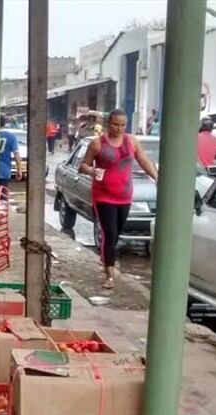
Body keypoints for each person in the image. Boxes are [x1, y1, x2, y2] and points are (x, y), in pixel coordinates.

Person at [79, 109, 158, 289]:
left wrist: (156, 177)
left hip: (125, 196)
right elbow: (83, 165)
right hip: (103, 196)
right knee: (110, 233)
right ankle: (109, 275)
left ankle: (106, 258)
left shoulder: (132, 142)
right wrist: (91, 171)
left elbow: (144, 161)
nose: (119, 128)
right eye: (116, 124)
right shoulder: (98, 144)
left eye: (123, 125)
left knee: (117, 232)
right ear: (108, 124)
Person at [0, 115, 24, 185]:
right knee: (2, 193)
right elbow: (16, 154)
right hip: (4, 171)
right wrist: (19, 169)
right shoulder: (11, 137)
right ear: (4, 123)